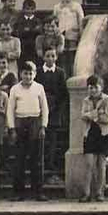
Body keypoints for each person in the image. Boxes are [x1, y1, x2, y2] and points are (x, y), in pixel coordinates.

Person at [7, 64, 51, 201]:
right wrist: (12, 128)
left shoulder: (39, 88)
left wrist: (43, 126)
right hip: (20, 122)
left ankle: (38, 192)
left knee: (36, 160)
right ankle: (18, 192)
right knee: (19, 160)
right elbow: (10, 109)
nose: (28, 76)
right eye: (25, 73)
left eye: (31, 74)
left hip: (35, 123)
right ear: (21, 74)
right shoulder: (15, 89)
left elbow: (45, 108)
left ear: (35, 74)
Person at [80, 73, 108, 202]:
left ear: (101, 87)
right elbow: (82, 116)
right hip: (89, 133)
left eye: (95, 87)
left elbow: (107, 118)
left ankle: (100, 192)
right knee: (89, 164)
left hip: (103, 134)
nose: (93, 90)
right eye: (90, 87)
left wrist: (92, 116)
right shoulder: (86, 100)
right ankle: (86, 193)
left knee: (101, 164)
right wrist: (97, 113)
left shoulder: (107, 100)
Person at [37, 46, 69, 178]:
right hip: (40, 108)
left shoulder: (60, 72)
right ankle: (40, 160)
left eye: (52, 56)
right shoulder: (39, 72)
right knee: (40, 136)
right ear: (43, 57)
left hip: (55, 109)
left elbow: (63, 93)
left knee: (53, 137)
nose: (50, 58)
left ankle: (50, 161)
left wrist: (57, 108)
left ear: (56, 57)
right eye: (47, 56)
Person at [54, 0, 84, 67]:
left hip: (73, 35)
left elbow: (81, 21)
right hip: (60, 36)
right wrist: (56, 32)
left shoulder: (77, 6)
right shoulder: (57, 7)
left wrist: (81, 35)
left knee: (72, 58)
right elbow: (54, 22)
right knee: (61, 57)